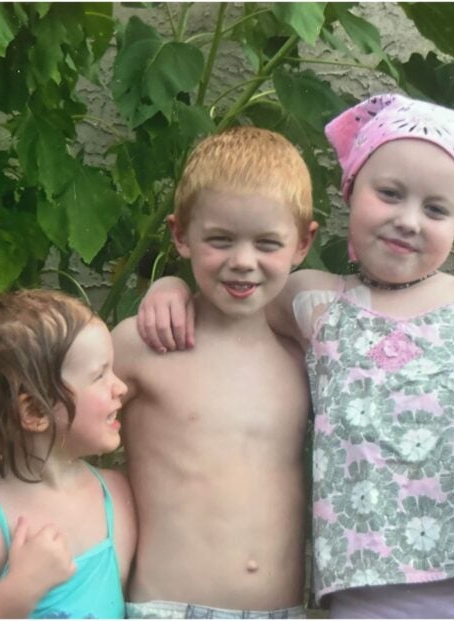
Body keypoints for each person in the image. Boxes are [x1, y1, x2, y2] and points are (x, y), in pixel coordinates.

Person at [138, 93, 454, 618]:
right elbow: (230, 305)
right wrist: (170, 287)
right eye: (389, 193)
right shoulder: (314, 300)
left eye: (436, 209)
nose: (409, 220)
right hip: (359, 590)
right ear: (350, 191)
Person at [111, 126, 317, 618]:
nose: (242, 262)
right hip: (166, 608)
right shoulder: (143, 344)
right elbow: (49, 434)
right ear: (180, 234)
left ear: (303, 244)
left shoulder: (305, 354)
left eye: (268, 243)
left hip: (282, 610)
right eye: (220, 240)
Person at [0, 289, 136, 618]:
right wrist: (19, 591)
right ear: (34, 412)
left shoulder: (116, 496)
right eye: (99, 375)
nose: (121, 387)